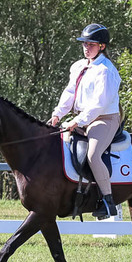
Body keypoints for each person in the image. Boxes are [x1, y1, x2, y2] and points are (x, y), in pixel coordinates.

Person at [47, 23, 121, 219]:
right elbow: (70, 92)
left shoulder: (106, 70)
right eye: (84, 44)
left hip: (103, 119)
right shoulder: (79, 66)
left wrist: (77, 121)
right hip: (82, 117)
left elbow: (99, 104)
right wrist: (58, 113)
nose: (86, 48)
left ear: (102, 46)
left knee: (93, 155)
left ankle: (108, 201)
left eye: (91, 44)